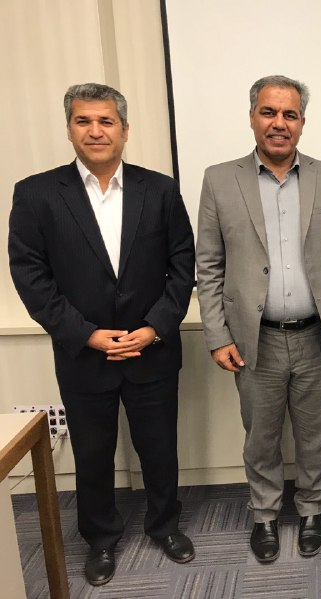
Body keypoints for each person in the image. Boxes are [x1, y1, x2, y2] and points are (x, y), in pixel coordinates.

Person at [8, 83, 196, 586]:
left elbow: (183, 266)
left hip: (151, 349)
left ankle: (165, 525)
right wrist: (86, 335)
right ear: (69, 129)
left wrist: (154, 328)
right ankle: (101, 538)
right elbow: (30, 276)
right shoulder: (37, 194)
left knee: (160, 448)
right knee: (92, 453)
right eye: (84, 121)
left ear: (125, 130)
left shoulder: (160, 190)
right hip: (84, 354)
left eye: (106, 121)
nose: (96, 131)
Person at [195, 75, 321, 564]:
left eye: (290, 114)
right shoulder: (219, 180)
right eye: (269, 112)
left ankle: (312, 509)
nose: (279, 123)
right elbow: (209, 266)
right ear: (252, 117)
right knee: (261, 437)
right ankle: (265, 515)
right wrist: (217, 335)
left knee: (315, 435)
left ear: (302, 123)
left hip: (317, 337)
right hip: (255, 340)